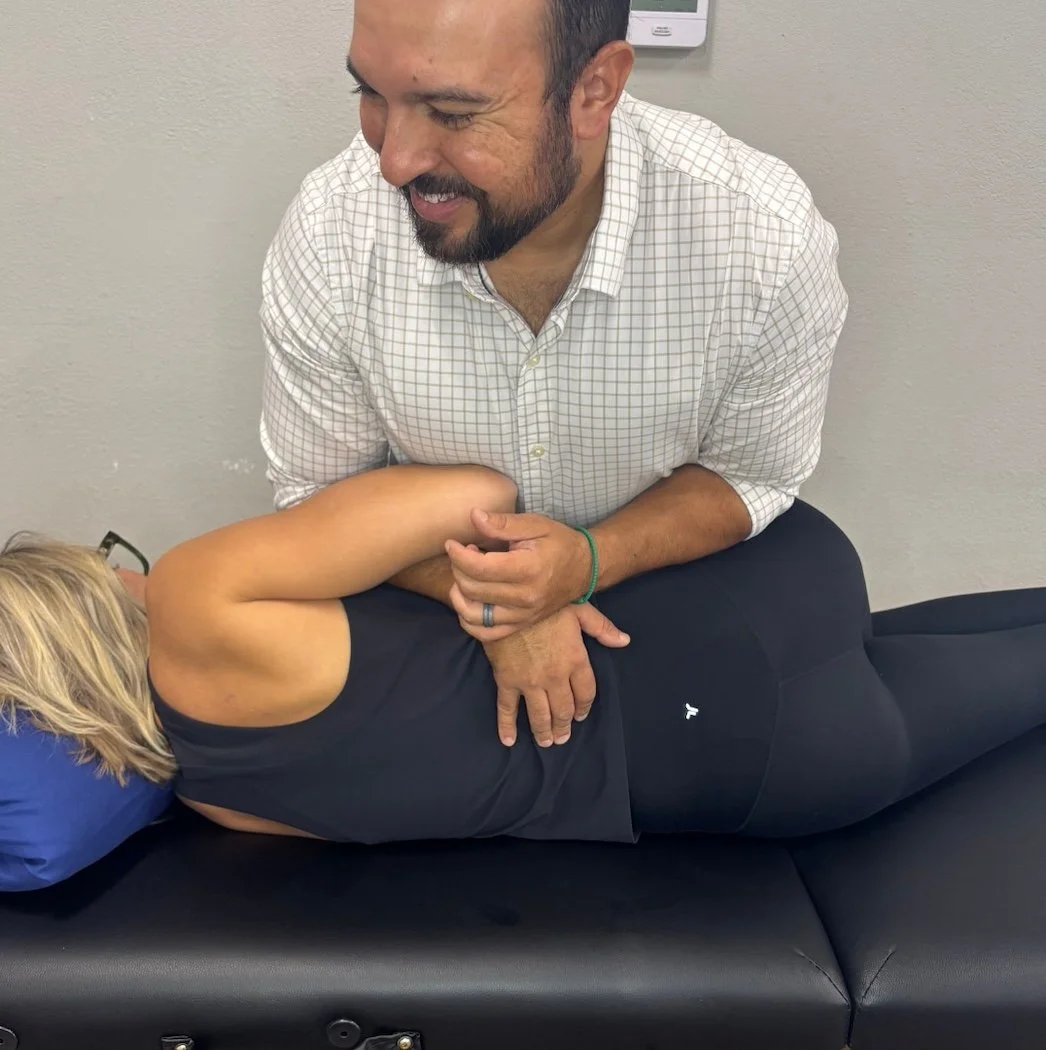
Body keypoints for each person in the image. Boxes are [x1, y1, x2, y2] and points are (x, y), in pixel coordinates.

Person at [259, 0, 850, 750]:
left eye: (451, 111)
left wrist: (588, 560)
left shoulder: (759, 235)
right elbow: (318, 497)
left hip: (666, 587)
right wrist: (497, 604)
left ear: (594, 90)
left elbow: (749, 475)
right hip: (429, 610)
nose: (394, 160)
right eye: (371, 94)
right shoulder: (330, 231)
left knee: (847, 752)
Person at [3, 463, 1045, 844]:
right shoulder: (195, 595)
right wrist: (505, 611)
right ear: (77, 612)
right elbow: (474, 499)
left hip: (771, 772)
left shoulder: (220, 804)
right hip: (734, 623)